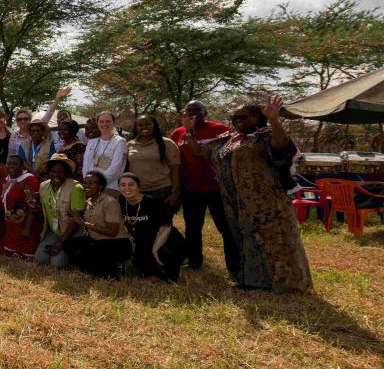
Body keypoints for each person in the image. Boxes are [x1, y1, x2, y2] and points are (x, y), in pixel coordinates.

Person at [184, 97, 312, 292]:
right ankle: (251, 281)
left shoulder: (265, 136)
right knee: (244, 240)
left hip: (268, 203)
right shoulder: (228, 140)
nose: (237, 120)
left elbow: (280, 145)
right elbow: (200, 151)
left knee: (274, 240)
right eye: (234, 117)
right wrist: (189, 131)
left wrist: (274, 120)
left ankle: (286, 282)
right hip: (237, 203)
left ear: (257, 118)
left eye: (242, 116)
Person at [170, 101, 238, 274]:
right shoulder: (177, 134)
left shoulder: (220, 129)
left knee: (225, 228)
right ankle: (194, 262)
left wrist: (190, 131)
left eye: (197, 110)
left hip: (217, 189)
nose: (192, 114)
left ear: (205, 112)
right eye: (188, 111)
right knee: (192, 228)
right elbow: (174, 161)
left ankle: (234, 266)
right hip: (191, 189)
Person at [118, 172, 185, 283]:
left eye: (131, 184)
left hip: (166, 241)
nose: (127, 188)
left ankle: (173, 267)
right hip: (145, 243)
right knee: (143, 268)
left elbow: (166, 227)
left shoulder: (153, 202)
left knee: (167, 278)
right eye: (123, 185)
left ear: (139, 187)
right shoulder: (121, 203)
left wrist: (154, 250)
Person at [62, 171, 131, 279]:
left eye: (92, 183)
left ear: (101, 186)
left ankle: (114, 268)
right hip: (96, 241)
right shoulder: (89, 201)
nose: (87, 186)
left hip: (116, 243)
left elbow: (112, 232)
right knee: (68, 245)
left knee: (94, 264)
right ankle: (99, 267)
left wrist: (84, 223)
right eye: (86, 182)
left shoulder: (110, 202)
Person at [34, 155, 86, 268]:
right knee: (38, 260)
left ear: (67, 173)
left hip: (71, 235)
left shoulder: (76, 188)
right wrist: (34, 206)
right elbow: (43, 212)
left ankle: (73, 260)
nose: (56, 175)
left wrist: (60, 243)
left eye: (60, 172)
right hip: (53, 232)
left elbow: (76, 221)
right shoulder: (43, 186)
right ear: (48, 172)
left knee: (56, 265)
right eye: (53, 171)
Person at [125, 114, 181, 207]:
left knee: (162, 221)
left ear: (154, 125)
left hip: (162, 190)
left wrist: (175, 192)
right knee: (140, 221)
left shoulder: (167, 143)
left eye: (148, 124)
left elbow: (175, 169)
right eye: (140, 125)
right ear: (136, 127)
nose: (144, 127)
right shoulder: (129, 145)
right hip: (138, 192)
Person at [0, 154, 42, 259]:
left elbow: (33, 205)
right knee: (10, 255)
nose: (11, 166)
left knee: (26, 256)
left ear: (22, 166)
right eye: (8, 164)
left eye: (15, 164)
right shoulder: (6, 180)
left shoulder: (30, 180)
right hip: (11, 225)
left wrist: (27, 227)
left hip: (27, 225)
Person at [83, 111, 127, 196]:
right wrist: (88, 182)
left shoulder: (120, 141)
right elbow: (86, 164)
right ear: (97, 123)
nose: (104, 124)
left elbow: (115, 168)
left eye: (108, 121)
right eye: (101, 121)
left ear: (113, 123)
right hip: (91, 188)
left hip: (110, 187)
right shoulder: (92, 142)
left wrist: (98, 184)